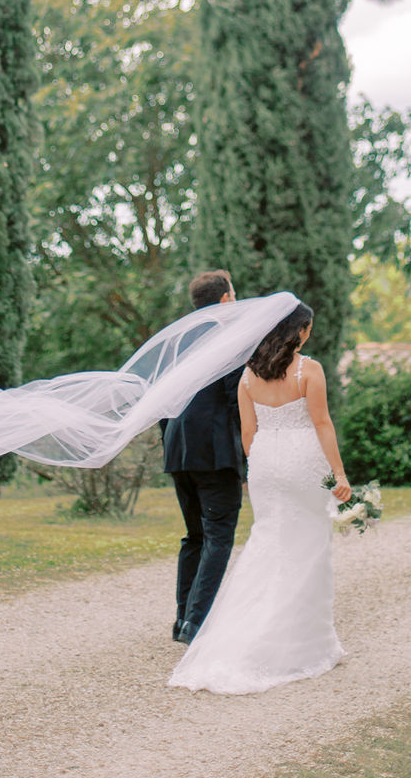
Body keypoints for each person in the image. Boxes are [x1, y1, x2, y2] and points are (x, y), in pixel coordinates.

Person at [168, 301, 351, 695]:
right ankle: (308, 644)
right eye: (308, 328)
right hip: (303, 461)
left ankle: (240, 634)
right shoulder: (309, 370)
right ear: (299, 331)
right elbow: (322, 423)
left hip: (265, 464)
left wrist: (264, 465)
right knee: (308, 548)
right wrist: (338, 473)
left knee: (266, 543)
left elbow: (248, 434)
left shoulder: (248, 375)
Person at [161, 269, 244, 644]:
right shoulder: (230, 338)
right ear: (225, 299)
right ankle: (196, 623)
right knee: (219, 537)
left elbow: (160, 397)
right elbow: (236, 398)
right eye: (234, 294)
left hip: (178, 447)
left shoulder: (176, 341)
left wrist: (169, 441)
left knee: (194, 536)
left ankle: (182, 619)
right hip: (214, 452)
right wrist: (249, 452)